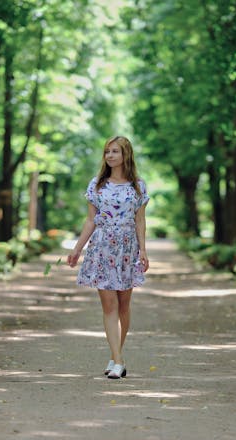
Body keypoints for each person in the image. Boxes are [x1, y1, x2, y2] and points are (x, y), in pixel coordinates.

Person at [67, 136, 150, 379]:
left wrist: (143, 250)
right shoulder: (97, 185)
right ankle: (119, 360)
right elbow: (91, 220)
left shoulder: (138, 186)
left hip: (127, 249)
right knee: (109, 305)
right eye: (107, 151)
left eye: (115, 151)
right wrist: (77, 249)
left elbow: (140, 220)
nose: (110, 155)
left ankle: (115, 355)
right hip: (102, 248)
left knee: (124, 305)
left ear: (126, 154)